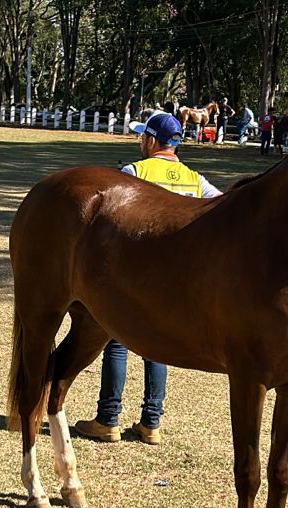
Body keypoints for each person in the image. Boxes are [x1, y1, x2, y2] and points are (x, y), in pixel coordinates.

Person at [75, 112, 223, 446]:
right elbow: (220, 204)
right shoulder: (194, 178)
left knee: (115, 340)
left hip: (134, 272)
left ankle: (107, 419)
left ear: (152, 140)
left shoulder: (134, 171)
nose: (140, 140)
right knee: (156, 347)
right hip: (175, 281)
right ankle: (151, 422)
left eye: (143, 136)